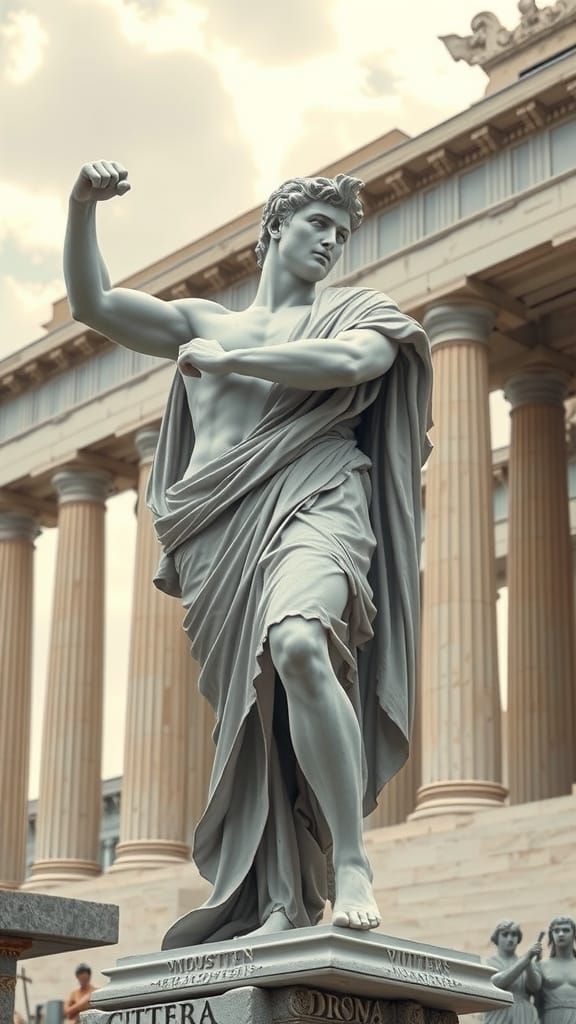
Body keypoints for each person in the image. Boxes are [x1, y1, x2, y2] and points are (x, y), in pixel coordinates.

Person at [64, 160, 432, 948]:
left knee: (299, 642)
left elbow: (353, 364)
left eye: (341, 233)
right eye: (317, 225)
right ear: (274, 230)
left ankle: (353, 860)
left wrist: (235, 364)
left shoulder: (356, 314)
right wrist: (81, 208)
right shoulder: (200, 321)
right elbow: (94, 305)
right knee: (259, 715)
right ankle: (279, 896)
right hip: (219, 535)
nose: (331, 242)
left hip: (316, 494)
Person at [484, 920, 542, 1023]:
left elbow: (535, 987)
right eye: (505, 935)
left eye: (514, 935)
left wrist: (529, 963)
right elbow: (497, 982)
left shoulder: (526, 961)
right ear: (496, 938)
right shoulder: (489, 962)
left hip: (525, 1015)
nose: (510, 939)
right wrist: (526, 959)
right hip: (499, 1014)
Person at [529, 916, 576, 1023]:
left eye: (566, 930)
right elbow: (535, 997)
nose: (561, 934)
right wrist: (529, 960)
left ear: (574, 934)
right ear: (551, 935)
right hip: (551, 1017)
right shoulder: (541, 965)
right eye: (556, 931)